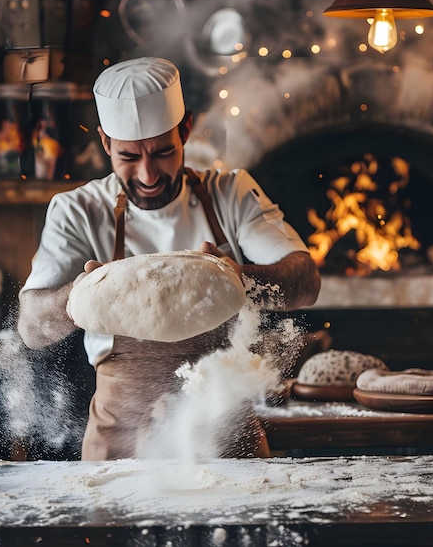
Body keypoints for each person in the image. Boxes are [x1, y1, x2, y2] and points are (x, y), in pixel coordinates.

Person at [17, 57, 321, 461]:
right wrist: (83, 293)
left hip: (223, 434)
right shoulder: (77, 210)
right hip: (119, 437)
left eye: (163, 152)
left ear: (186, 130)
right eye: (128, 157)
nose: (147, 175)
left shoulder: (231, 193)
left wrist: (232, 280)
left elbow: (305, 281)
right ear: (106, 143)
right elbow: (32, 328)